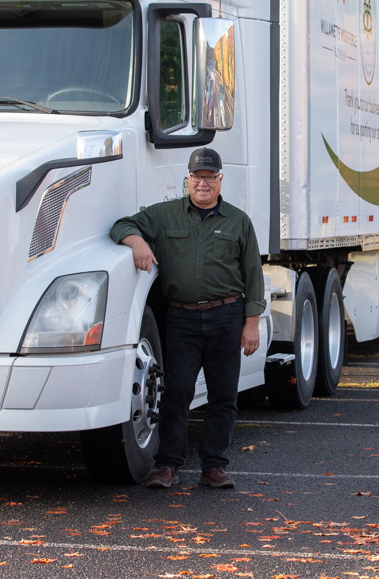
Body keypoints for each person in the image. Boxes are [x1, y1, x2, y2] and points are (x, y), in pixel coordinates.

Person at [109, 147, 264, 489]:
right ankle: (167, 466)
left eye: (210, 177)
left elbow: (253, 275)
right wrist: (137, 243)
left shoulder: (239, 221)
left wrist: (251, 324)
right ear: (188, 179)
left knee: (223, 395)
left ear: (220, 180)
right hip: (182, 319)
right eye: (197, 176)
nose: (203, 183)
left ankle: (214, 467)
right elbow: (122, 225)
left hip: (227, 316)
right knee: (177, 392)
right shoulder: (165, 215)